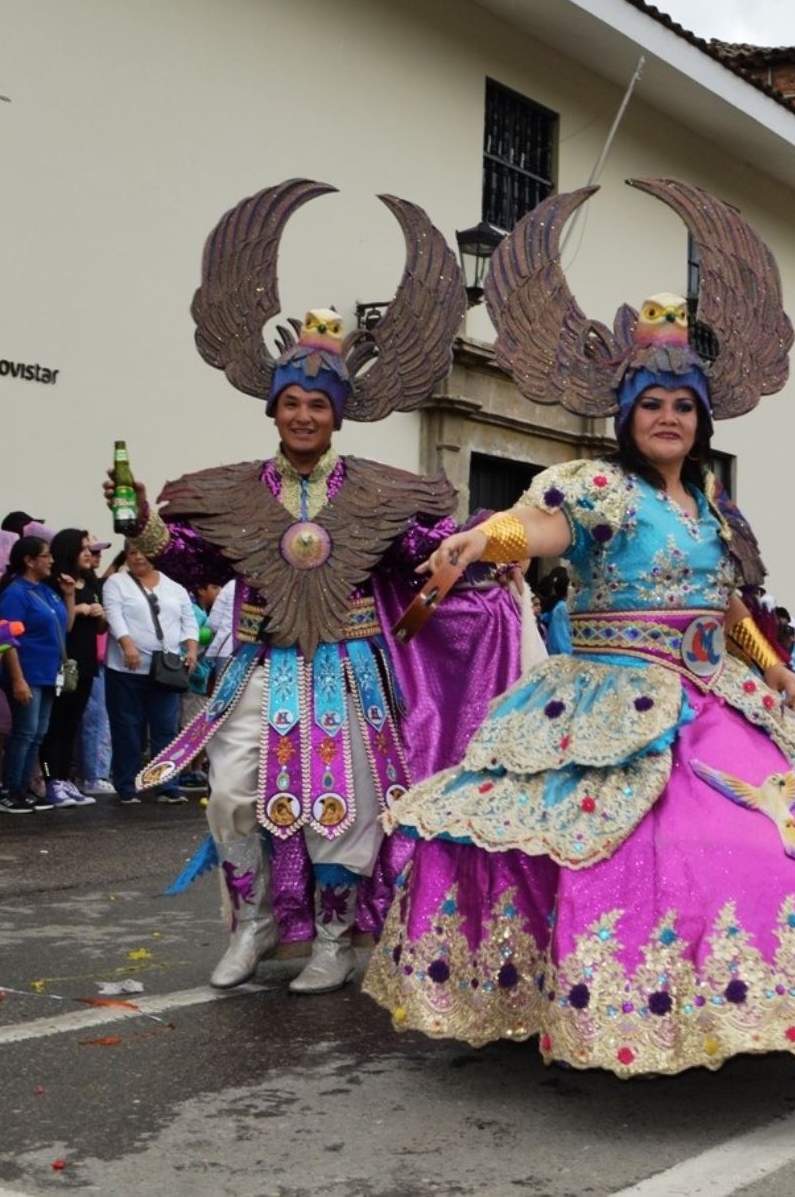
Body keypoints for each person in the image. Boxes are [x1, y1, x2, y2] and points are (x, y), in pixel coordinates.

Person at [365, 177, 795, 1076]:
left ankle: (745, 999)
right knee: (640, 850)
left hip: (713, 701)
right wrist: (484, 538)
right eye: (652, 406)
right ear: (628, 418)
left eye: (683, 406)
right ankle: (604, 1004)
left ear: (701, 420)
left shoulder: (713, 509)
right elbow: (543, 528)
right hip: (610, 703)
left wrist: (774, 668)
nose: (669, 418)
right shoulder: (603, 488)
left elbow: (725, 606)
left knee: (769, 837)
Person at [108, 178, 522, 994]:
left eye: (316, 406)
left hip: (348, 669)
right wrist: (139, 526)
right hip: (257, 666)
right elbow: (194, 561)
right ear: (274, 409)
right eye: (291, 403)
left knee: (346, 812)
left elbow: (424, 549)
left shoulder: (380, 491)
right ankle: (254, 924)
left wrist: (482, 548)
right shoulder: (236, 491)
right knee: (231, 795)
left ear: (338, 415)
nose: (302, 416)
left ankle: (335, 939)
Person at [101, 544, 199, 806]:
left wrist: (191, 649)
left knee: (165, 728)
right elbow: (114, 615)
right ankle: (126, 785)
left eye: (142, 552)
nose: (138, 556)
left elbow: (188, 621)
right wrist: (127, 643)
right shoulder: (116, 583)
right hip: (126, 669)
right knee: (127, 728)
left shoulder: (174, 587)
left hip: (165, 670)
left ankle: (166, 784)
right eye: (132, 553)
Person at [0, 535, 75, 814]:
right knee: (24, 732)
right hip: (27, 674)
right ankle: (9, 789)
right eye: (45, 556)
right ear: (29, 560)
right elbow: (7, 638)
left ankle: (23, 787)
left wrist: (69, 594)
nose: (51, 560)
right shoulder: (15, 593)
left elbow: (66, 627)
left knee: (38, 733)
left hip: (48, 675)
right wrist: (17, 679)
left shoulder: (47, 590)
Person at [39, 529, 107, 807]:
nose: (89, 553)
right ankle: (50, 780)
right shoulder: (55, 584)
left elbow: (101, 628)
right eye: (83, 549)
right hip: (63, 663)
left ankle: (65, 779)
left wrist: (101, 616)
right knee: (55, 724)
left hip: (88, 663)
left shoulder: (91, 582)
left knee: (72, 725)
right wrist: (76, 607)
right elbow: (64, 625)